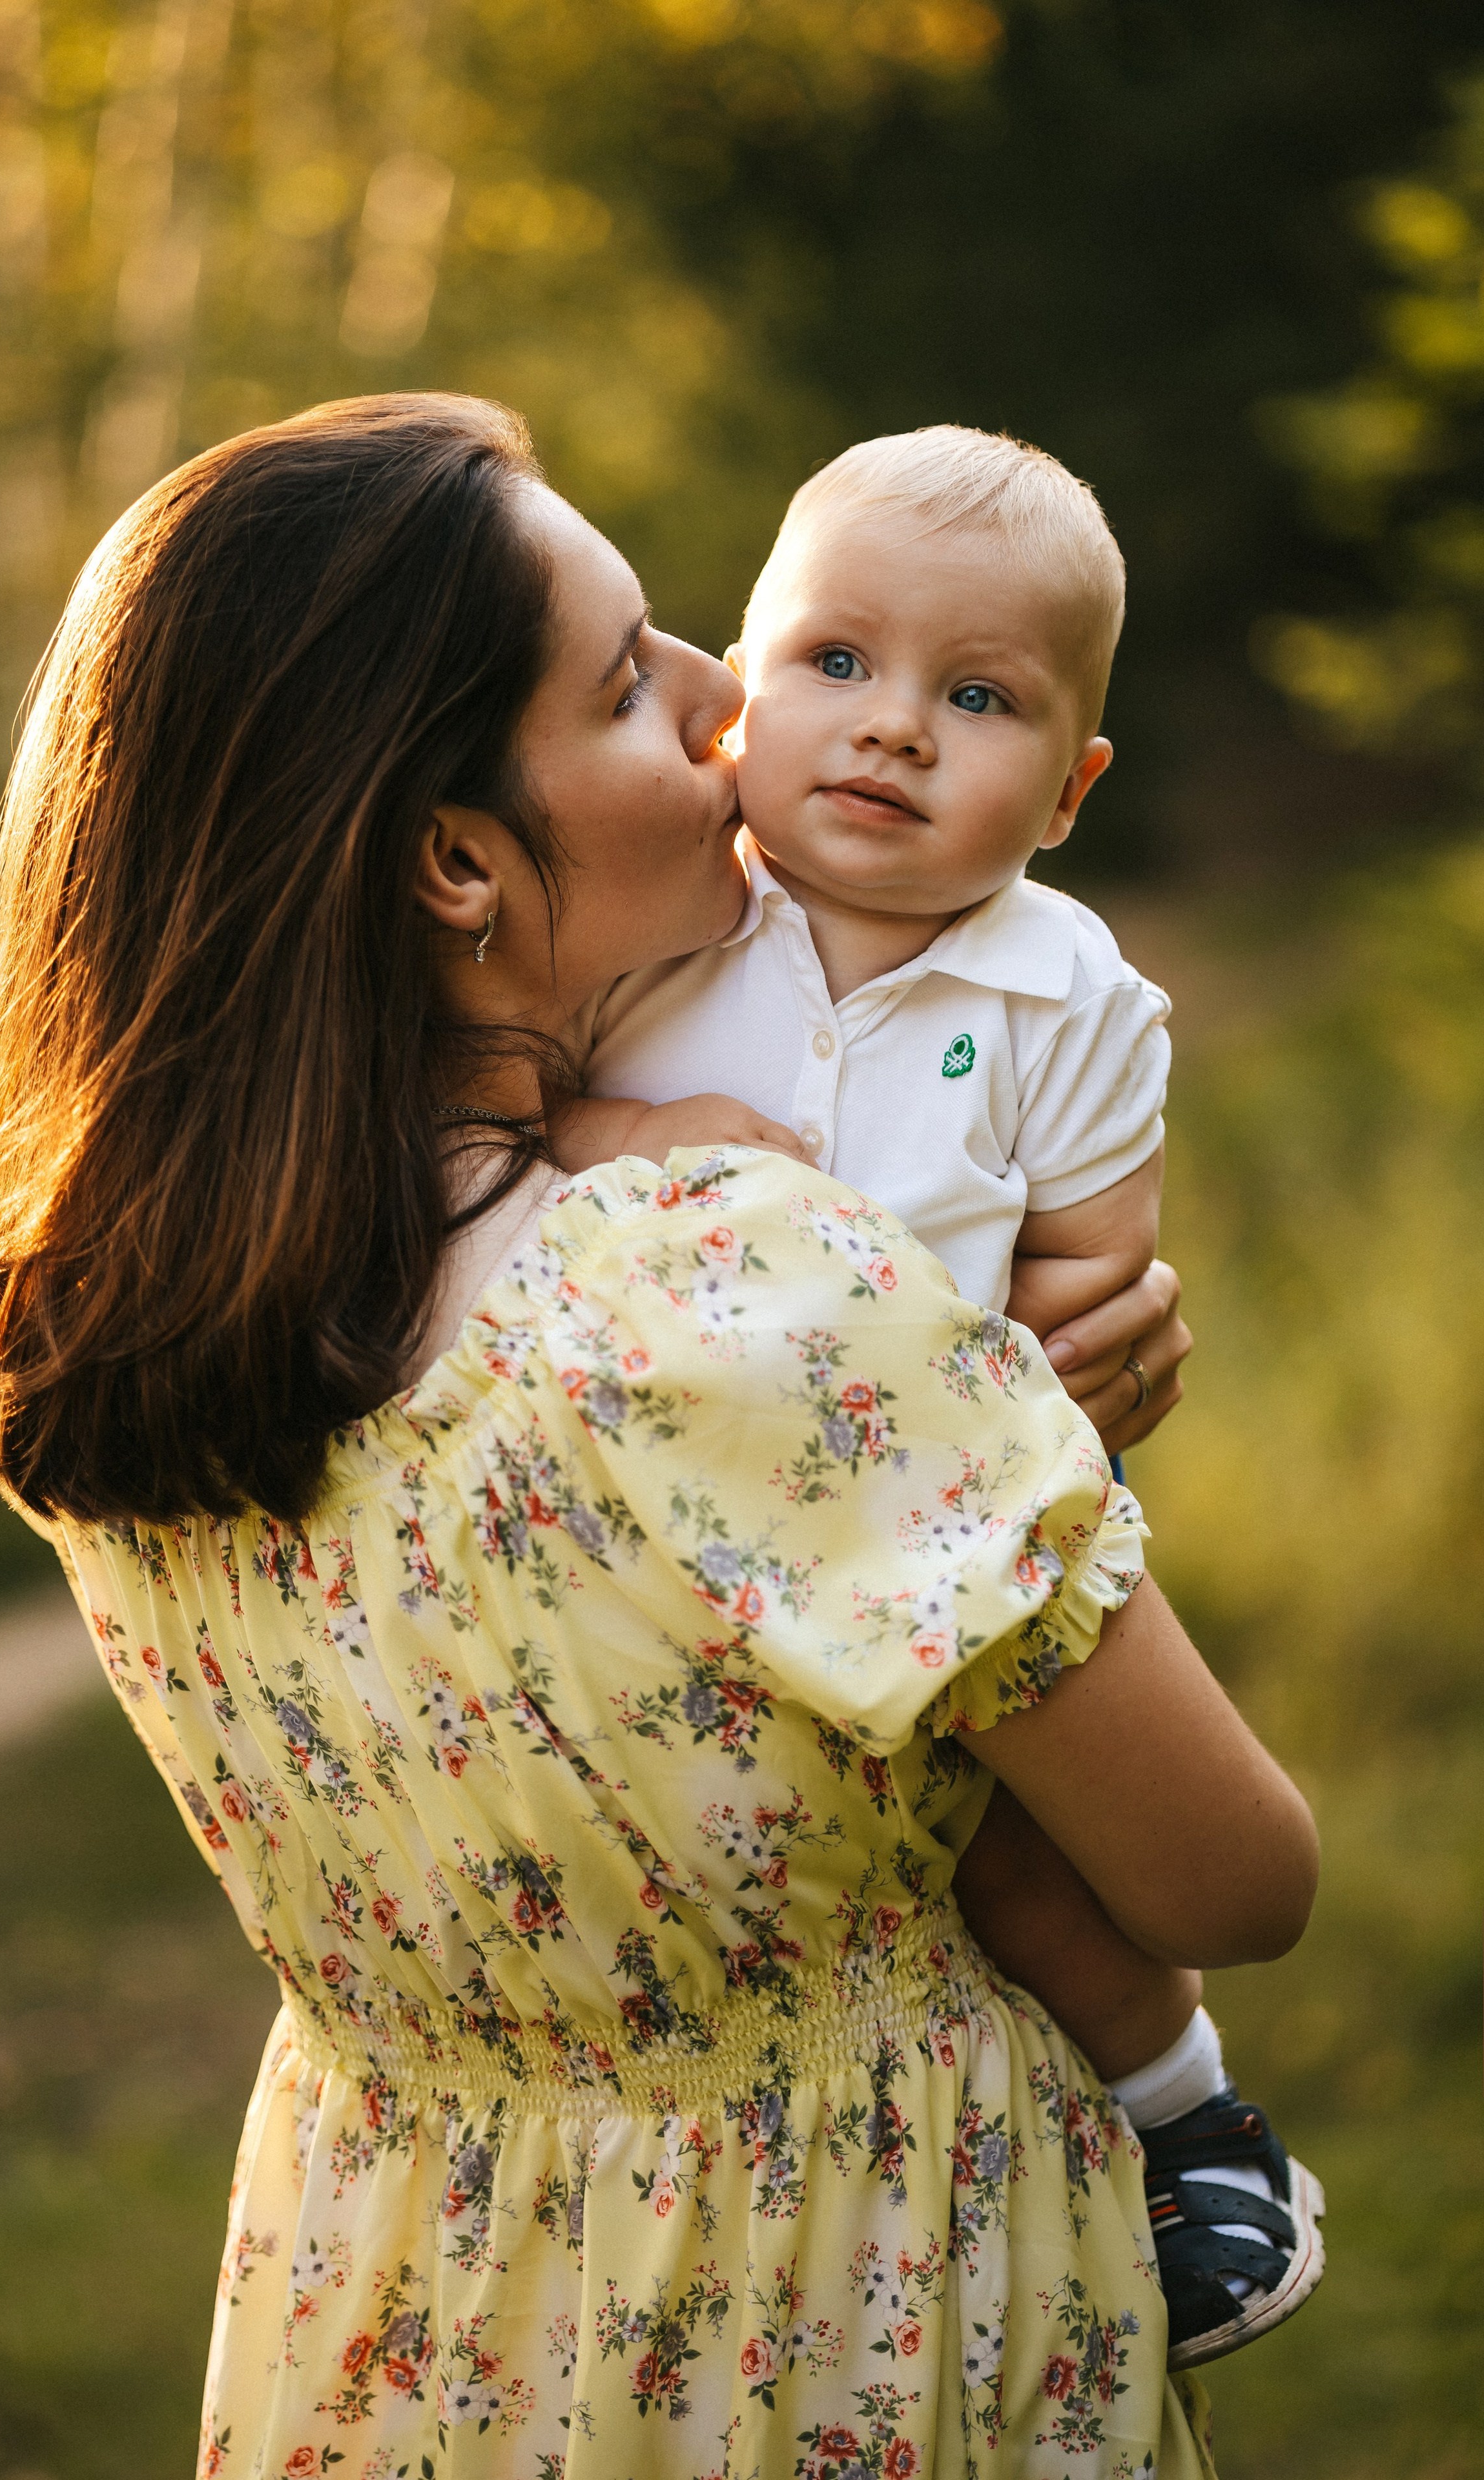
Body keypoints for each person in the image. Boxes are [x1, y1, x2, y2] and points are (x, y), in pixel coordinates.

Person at [0, 394, 1316, 2479]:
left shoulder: (110, 1338)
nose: (733, 699)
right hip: (845, 2331)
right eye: (636, 681)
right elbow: (1235, 1876)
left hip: (394, 2343)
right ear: (459, 861)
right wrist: (1006, 1443)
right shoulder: (722, 1291)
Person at [557, 424, 1325, 2369]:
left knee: (1013, 1860)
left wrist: (1059, 1372)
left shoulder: (1068, 999)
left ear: (1067, 792)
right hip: (670, 1536)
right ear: (736, 699)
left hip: (939, 1537)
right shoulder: (656, 926)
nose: (894, 726)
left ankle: (1191, 2120)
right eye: (838, 662)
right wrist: (629, 1131)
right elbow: (519, 1121)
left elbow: (1096, 1284)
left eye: (977, 700)